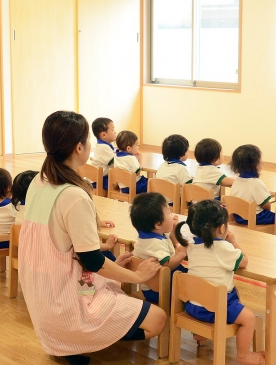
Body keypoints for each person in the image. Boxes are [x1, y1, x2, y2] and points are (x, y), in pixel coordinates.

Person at [18, 111, 165, 365]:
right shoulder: (73, 195)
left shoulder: (37, 183)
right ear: (78, 147)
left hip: (43, 300)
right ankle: (75, 339)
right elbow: (93, 261)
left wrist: (105, 274)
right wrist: (138, 277)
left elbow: (72, 254)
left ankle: (68, 341)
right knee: (158, 318)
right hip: (67, 304)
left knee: (112, 284)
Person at [174, 200, 265, 365]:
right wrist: (234, 241)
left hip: (193, 306)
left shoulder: (192, 246)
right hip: (215, 309)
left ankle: (200, 334)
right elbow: (243, 261)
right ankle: (243, 356)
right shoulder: (223, 248)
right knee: (250, 318)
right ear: (223, 228)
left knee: (209, 289)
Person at [131, 192, 187, 303]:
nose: (172, 216)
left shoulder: (150, 236)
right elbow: (168, 264)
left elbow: (170, 238)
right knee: (189, 279)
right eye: (169, 213)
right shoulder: (154, 244)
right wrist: (181, 254)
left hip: (152, 285)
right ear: (158, 224)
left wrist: (173, 229)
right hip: (157, 291)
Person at [229, 144, 275, 225]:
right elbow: (266, 205)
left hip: (238, 217)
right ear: (255, 164)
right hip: (254, 217)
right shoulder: (256, 183)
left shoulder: (237, 181)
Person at [155, 134, 193, 205]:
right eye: (187, 149)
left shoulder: (162, 165)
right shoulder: (181, 168)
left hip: (160, 200)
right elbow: (189, 188)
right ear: (182, 153)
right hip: (174, 201)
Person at [114, 130, 147, 195]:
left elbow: (128, 167)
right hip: (134, 186)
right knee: (150, 183)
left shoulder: (116, 156)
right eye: (137, 145)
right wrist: (140, 161)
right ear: (128, 148)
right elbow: (137, 171)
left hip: (123, 187)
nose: (138, 147)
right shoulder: (131, 158)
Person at [88, 117, 116, 191]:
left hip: (101, 177)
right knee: (119, 182)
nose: (115, 132)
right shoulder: (103, 147)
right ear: (104, 135)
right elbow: (115, 161)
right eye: (113, 130)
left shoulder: (105, 145)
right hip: (97, 180)